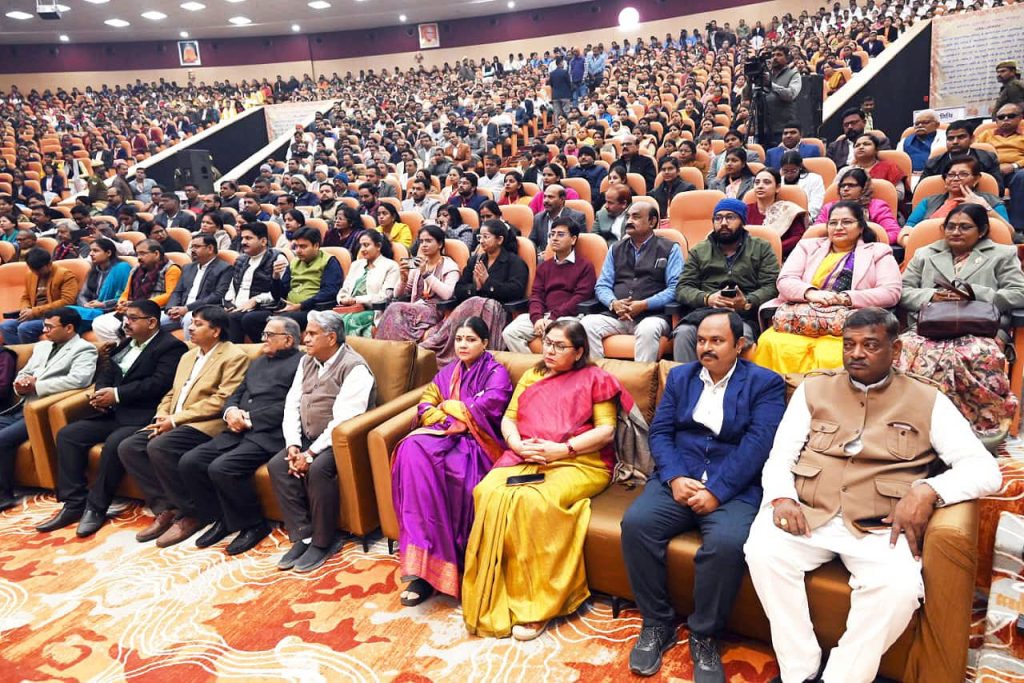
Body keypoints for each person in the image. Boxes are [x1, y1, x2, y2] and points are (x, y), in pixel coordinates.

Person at [744, 307, 1002, 683]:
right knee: (763, 551)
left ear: (895, 350)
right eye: (849, 345)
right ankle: (799, 670)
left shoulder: (928, 400)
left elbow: (985, 470)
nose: (856, 354)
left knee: (899, 589)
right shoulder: (813, 390)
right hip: (811, 513)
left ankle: (842, 677)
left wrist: (930, 490)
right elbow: (780, 456)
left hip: (880, 527)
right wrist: (782, 498)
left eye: (870, 345)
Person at [622, 310, 786, 679]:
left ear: (739, 345)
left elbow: (759, 444)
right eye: (701, 340)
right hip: (680, 477)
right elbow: (660, 432)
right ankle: (657, 623)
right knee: (636, 525)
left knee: (727, 544)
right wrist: (675, 477)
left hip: (735, 485)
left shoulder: (765, 383)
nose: (706, 348)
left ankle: (704, 634)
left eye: (717, 341)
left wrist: (718, 490)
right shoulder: (681, 377)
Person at [461, 320, 634, 639]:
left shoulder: (595, 378)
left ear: (579, 351)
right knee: (487, 490)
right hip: (526, 454)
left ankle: (537, 607)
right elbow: (510, 418)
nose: (549, 350)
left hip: (581, 461)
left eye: (559, 346)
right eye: (547, 343)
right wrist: (516, 444)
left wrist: (563, 449)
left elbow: (606, 431)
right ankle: (495, 588)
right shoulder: (532, 375)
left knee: (534, 501)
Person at [391, 317, 513, 605]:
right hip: (445, 435)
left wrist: (448, 408)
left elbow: (487, 408)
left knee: (457, 476)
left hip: (477, 444)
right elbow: (425, 404)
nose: (463, 345)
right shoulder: (448, 372)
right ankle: (423, 569)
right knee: (410, 449)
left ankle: (459, 564)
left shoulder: (496, 373)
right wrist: (450, 414)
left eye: (470, 339)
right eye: (459, 339)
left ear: (485, 343)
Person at [40, 299, 188, 536]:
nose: (126, 323)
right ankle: (74, 502)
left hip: (144, 416)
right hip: (114, 413)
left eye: (133, 318)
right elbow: (107, 372)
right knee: (69, 434)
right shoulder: (126, 343)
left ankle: (96, 507)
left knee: (114, 444)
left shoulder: (171, 347)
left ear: (152, 322)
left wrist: (117, 395)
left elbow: (159, 384)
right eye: (126, 318)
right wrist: (100, 394)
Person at [117, 306, 250, 547]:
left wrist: (176, 420)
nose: (191, 328)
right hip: (173, 420)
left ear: (216, 331)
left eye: (198, 324)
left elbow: (222, 399)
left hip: (205, 423)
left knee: (160, 446)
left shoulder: (234, 356)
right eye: (192, 323)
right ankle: (166, 508)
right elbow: (172, 392)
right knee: (129, 447)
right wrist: (162, 415)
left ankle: (193, 513)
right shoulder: (188, 356)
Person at [178, 315, 303, 555]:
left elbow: (292, 406)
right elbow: (236, 393)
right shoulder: (258, 361)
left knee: (223, 468)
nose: (263, 339)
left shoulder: (301, 364)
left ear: (288, 340)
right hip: (236, 429)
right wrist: (231, 412)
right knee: (190, 462)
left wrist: (249, 419)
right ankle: (222, 518)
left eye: (269, 335)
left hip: (269, 433)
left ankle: (254, 525)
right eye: (264, 334)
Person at [897, 204, 1024, 439]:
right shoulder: (925, 254)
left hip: (981, 329)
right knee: (905, 349)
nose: (956, 232)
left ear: (982, 231)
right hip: (929, 328)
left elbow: (1019, 292)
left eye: (965, 227)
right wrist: (931, 296)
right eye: (951, 227)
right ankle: (918, 425)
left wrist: (974, 294)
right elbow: (901, 291)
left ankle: (979, 427)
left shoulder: (1002, 254)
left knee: (976, 355)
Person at [268, 311, 376, 573]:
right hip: (309, 435)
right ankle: (304, 536)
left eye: (312, 334)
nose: (305, 338)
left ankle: (323, 541)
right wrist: (293, 445)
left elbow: (344, 420)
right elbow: (292, 403)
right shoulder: (307, 360)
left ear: (331, 337)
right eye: (306, 333)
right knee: (278, 465)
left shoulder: (354, 367)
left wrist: (310, 454)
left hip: (343, 439)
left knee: (318, 469)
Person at [753, 201, 902, 375]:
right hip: (801, 320)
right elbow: (785, 280)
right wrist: (810, 293)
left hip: (849, 326)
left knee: (833, 355)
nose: (838, 227)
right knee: (770, 342)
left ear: (861, 227)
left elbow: (891, 292)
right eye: (833, 223)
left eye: (846, 222)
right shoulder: (807, 247)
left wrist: (846, 298)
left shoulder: (878, 251)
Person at [0, 308, 98, 511]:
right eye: (44, 326)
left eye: (49, 327)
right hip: (23, 405)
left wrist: (37, 386)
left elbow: (79, 380)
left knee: (3, 439)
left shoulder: (84, 349)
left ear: (69, 328)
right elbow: (25, 371)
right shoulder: (42, 347)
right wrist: (20, 383)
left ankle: (3, 495)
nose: (44, 331)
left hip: (43, 411)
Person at [672, 199, 779, 362]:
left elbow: (771, 286)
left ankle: (729, 379)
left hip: (742, 316)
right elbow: (683, 288)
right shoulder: (699, 251)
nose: (723, 223)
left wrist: (747, 301)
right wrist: (707, 298)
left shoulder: (761, 248)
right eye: (718, 218)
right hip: (704, 314)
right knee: (683, 333)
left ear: (742, 221)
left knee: (739, 336)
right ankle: (686, 378)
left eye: (730, 217)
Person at [581, 202, 683, 362]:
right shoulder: (615, 248)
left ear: (652, 222)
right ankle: (599, 375)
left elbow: (675, 288)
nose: (629, 221)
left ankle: (642, 377)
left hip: (652, 316)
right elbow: (602, 285)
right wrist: (613, 303)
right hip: (618, 315)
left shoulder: (670, 248)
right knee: (586, 324)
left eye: (636, 217)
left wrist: (644, 304)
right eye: (628, 216)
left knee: (648, 329)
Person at [424, 220, 529, 366]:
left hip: (500, 311)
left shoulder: (514, 262)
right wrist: (476, 288)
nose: (482, 241)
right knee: (475, 301)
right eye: (480, 237)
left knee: (479, 302)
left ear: (499, 240)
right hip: (471, 307)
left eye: (486, 237)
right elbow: (459, 289)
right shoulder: (475, 260)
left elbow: (516, 290)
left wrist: (488, 283)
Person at [503, 217, 597, 353]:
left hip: (569, 316)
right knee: (510, 332)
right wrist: (537, 318)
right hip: (543, 315)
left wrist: (554, 317)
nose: (554, 238)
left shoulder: (585, 266)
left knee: (556, 336)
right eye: (552, 234)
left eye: (560, 234)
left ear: (573, 239)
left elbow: (580, 297)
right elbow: (536, 295)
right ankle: (534, 365)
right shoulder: (544, 267)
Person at [241, 226, 342, 340]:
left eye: (303, 246)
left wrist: (301, 305)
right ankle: (268, 347)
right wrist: (275, 277)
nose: (298, 250)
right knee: (250, 319)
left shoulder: (329, 261)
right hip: (288, 307)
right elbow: (279, 295)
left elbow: (330, 291)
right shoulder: (294, 262)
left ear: (316, 245)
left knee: (280, 321)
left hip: (313, 309)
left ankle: (283, 348)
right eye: (296, 246)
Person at [375, 224, 462, 345]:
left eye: (428, 241)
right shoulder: (418, 264)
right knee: (394, 308)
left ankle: (393, 349)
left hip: (437, 310)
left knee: (395, 308)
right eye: (421, 241)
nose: (424, 245)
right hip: (415, 308)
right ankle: (389, 349)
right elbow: (398, 294)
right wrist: (403, 280)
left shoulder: (449, 266)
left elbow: (448, 294)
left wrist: (426, 274)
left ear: (440, 244)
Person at [91, 239, 182, 344]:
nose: (139, 257)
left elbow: (171, 295)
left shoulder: (171, 269)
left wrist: (139, 305)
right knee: (99, 323)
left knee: (134, 325)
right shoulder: (136, 269)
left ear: (156, 254)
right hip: (133, 308)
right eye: (137, 254)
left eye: (143, 253)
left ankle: (132, 349)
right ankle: (120, 349)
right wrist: (122, 302)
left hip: (158, 310)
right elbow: (126, 292)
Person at [222, 222, 290, 343]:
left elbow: (280, 292)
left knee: (237, 318)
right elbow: (232, 287)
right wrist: (229, 304)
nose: (243, 242)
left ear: (263, 241)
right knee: (210, 314)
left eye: (248, 238)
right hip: (239, 307)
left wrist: (256, 300)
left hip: (264, 307)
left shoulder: (277, 259)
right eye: (242, 238)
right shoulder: (241, 260)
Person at [1, 248, 80, 345]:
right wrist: (25, 309)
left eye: (39, 269)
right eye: (32, 269)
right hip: (33, 315)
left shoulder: (65, 275)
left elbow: (67, 301)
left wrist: (34, 311)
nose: (36, 273)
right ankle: (19, 353)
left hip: (54, 317)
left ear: (49, 264)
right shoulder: (30, 275)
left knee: (25, 328)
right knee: (6, 326)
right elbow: (26, 297)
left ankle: (31, 353)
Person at [161, 234, 233, 339]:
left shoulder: (224, 268)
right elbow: (177, 291)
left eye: (197, 247)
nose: (193, 250)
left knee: (189, 319)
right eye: (192, 247)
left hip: (203, 311)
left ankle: (191, 349)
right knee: (150, 320)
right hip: (180, 310)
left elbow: (217, 295)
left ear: (210, 248)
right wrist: (171, 309)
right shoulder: (187, 267)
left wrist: (187, 308)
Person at [905, 157, 1009, 230]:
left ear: (976, 179)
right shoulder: (929, 202)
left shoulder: (991, 201)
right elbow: (907, 229)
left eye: (963, 174)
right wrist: (911, 244)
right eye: (951, 175)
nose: (955, 179)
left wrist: (986, 208)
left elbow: (1008, 233)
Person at [335, 229, 400, 337]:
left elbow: (385, 297)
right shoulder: (356, 265)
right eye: (361, 245)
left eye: (366, 245)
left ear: (378, 246)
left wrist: (356, 300)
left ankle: (347, 348)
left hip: (373, 311)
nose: (362, 249)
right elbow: (344, 289)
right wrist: (342, 299)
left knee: (345, 322)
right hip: (348, 308)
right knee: (325, 320)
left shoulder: (391, 266)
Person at [817, 168, 900, 244]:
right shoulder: (829, 207)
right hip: (832, 248)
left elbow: (893, 232)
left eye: (851, 185)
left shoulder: (877, 206)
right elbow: (816, 231)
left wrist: (867, 242)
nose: (845, 189)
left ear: (864, 188)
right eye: (842, 186)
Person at [975, 103, 1024, 231]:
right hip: (991, 171)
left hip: (1017, 172)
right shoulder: (985, 134)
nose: (1005, 119)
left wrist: (1014, 166)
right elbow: (975, 153)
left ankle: (1017, 228)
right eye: (1001, 117)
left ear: (1020, 117)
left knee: (1022, 176)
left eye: (1011, 116)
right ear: (996, 120)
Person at [920, 119, 1003, 193]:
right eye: (950, 138)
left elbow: (999, 189)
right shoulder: (933, 164)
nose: (955, 142)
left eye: (961, 137)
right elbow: (920, 191)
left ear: (972, 139)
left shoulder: (987, 158)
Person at [68, 238, 133, 331]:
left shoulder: (122, 268)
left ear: (108, 253)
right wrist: (86, 305)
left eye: (95, 251)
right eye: (91, 250)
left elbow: (126, 298)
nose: (91, 254)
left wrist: (103, 304)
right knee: (65, 313)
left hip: (110, 311)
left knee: (66, 315)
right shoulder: (93, 270)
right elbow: (82, 295)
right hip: (91, 309)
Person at [745, 168, 808, 256]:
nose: (760, 186)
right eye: (757, 182)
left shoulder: (788, 210)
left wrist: (771, 249)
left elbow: (798, 237)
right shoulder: (745, 210)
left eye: (766, 182)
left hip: (779, 257)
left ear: (777, 188)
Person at [749, 46, 802, 147]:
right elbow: (748, 96)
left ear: (787, 58)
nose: (775, 58)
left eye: (779, 55)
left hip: (782, 129)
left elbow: (791, 94)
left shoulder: (793, 74)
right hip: (761, 128)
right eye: (773, 55)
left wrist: (770, 84)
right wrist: (750, 80)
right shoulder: (763, 74)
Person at [826, 108, 892, 170]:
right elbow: (828, 169)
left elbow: (885, 164)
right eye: (846, 125)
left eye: (853, 123)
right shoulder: (834, 147)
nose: (849, 127)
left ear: (864, 122)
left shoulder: (879, 142)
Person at [849, 133, 908, 201]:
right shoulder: (847, 171)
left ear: (876, 149)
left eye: (866, 144)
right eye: (857, 145)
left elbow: (900, 194)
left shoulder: (890, 167)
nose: (861, 147)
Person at [528, 184, 586, 252]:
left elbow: (579, 245)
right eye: (545, 197)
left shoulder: (576, 217)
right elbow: (532, 242)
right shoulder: (538, 218)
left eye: (550, 197)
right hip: (543, 256)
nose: (546, 200)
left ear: (562, 199)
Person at [779, 151, 826, 220]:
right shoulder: (779, 182)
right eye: (785, 171)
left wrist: (804, 217)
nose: (789, 174)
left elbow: (816, 203)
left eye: (793, 171)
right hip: (783, 219)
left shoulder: (815, 179)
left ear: (800, 167)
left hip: (807, 217)